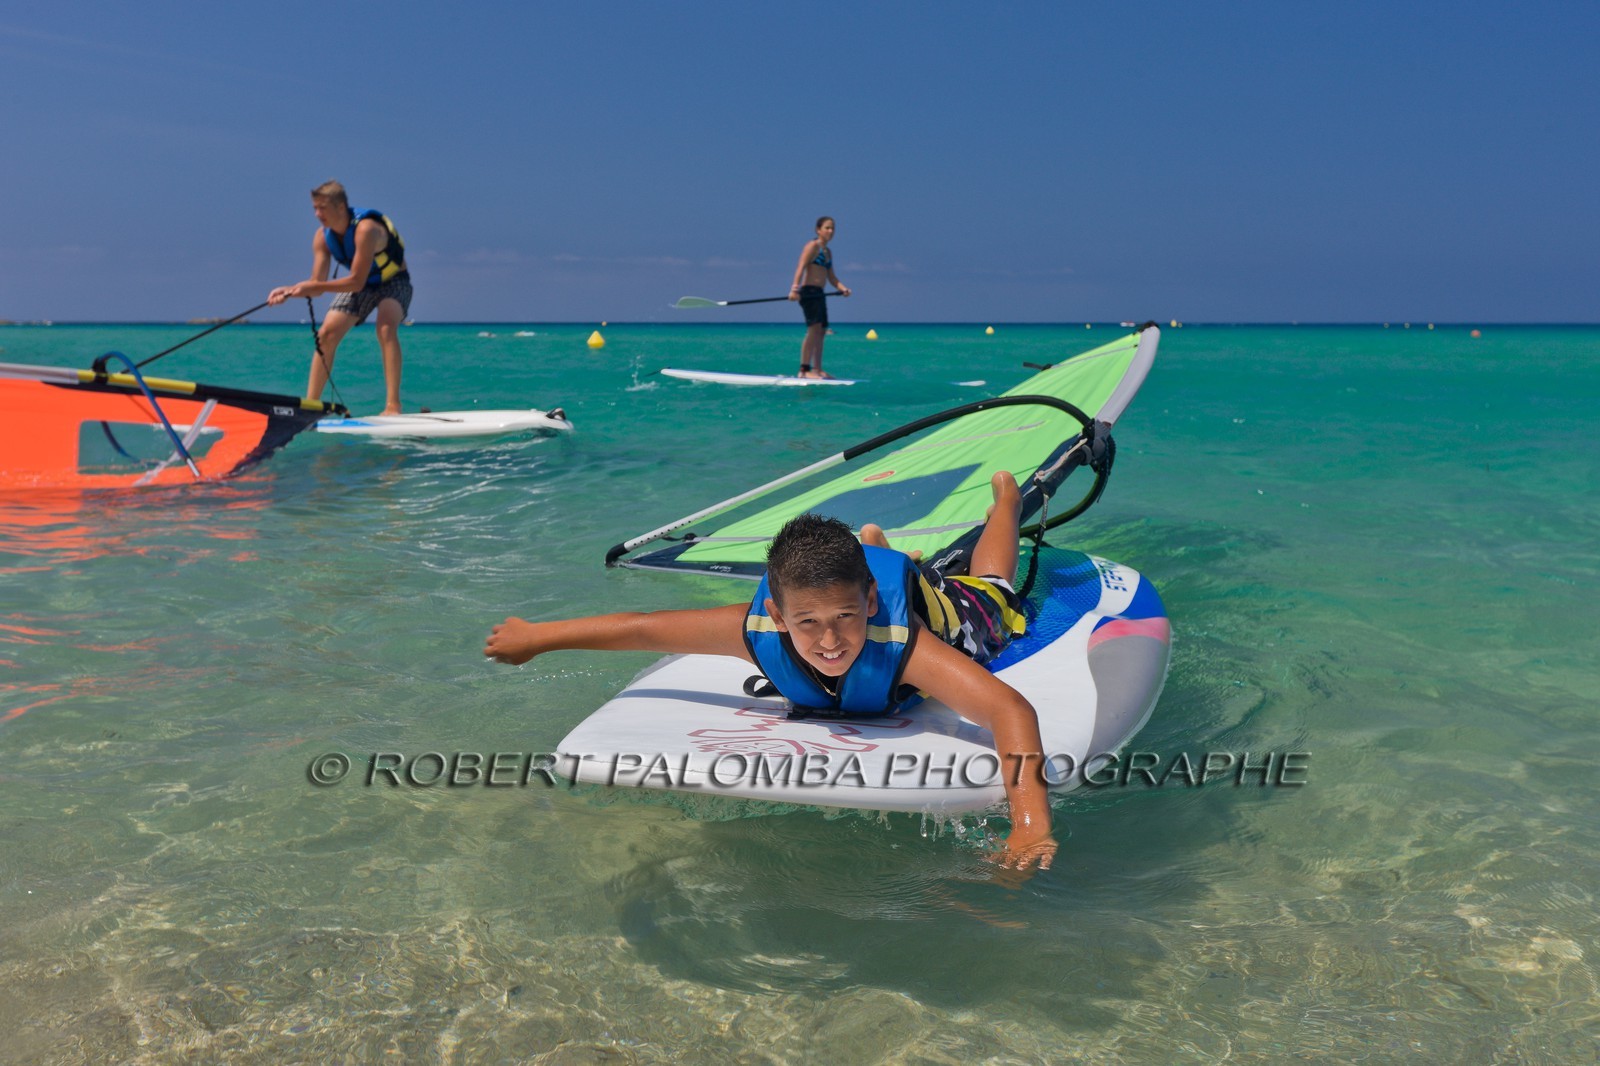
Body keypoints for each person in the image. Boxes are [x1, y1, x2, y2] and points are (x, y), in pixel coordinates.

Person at [484, 472, 1058, 871]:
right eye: (807, 623)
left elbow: (1008, 709)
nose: (829, 642)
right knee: (884, 586)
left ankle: (1003, 503)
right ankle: (884, 555)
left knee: (992, 589)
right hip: (872, 583)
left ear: (871, 606)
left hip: (947, 615)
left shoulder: (900, 646)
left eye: (845, 618)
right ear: (779, 616)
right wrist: (538, 638)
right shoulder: (753, 629)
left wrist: (1029, 821)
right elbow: (643, 626)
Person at [268, 180, 412, 415]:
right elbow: (316, 287)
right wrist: (290, 290)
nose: (317, 214)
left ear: (341, 207)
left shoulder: (366, 229)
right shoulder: (322, 237)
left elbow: (355, 281)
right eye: (315, 208)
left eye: (322, 208)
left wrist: (309, 286)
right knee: (326, 334)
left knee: (386, 327)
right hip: (361, 285)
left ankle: (393, 406)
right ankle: (310, 406)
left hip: (393, 282)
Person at [787, 216, 851, 379]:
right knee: (813, 330)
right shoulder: (812, 246)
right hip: (808, 292)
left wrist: (843, 288)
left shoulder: (827, 252)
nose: (830, 231)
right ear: (818, 230)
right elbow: (800, 267)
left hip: (820, 294)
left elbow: (832, 277)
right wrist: (794, 289)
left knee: (821, 331)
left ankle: (817, 369)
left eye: (832, 228)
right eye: (827, 228)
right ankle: (803, 370)